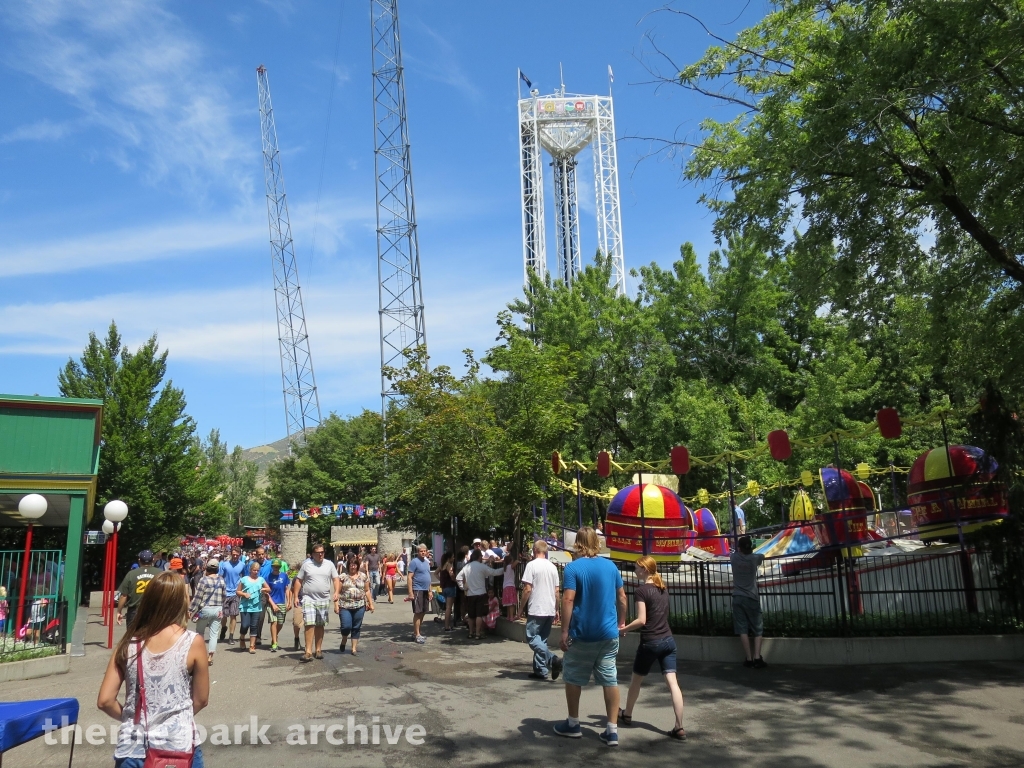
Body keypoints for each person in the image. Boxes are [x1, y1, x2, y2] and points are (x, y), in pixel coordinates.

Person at [97, 571, 209, 768]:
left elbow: (105, 700)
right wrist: (175, 716)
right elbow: (201, 699)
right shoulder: (192, 642)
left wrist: (131, 717)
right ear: (180, 603)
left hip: (133, 748)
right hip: (178, 746)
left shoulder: (128, 643)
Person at [554, 526, 627, 746]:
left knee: (573, 676)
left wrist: (564, 631)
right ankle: (612, 730)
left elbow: (568, 600)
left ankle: (574, 723)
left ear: (577, 543)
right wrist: (621, 622)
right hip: (608, 633)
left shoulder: (573, 569)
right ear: (597, 542)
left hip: (583, 632)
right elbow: (622, 597)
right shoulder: (611, 566)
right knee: (609, 679)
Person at [618, 555, 686, 740]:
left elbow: (642, 620)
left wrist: (623, 629)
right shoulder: (663, 588)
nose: (635, 571)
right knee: (673, 684)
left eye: (637, 568)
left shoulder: (641, 591)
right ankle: (679, 727)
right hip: (668, 640)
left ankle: (627, 714)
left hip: (650, 642)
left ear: (645, 570)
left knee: (636, 680)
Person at [516, 539, 562, 681]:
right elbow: (557, 591)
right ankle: (540, 670)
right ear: (546, 551)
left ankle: (552, 659)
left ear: (535, 550)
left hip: (537, 607)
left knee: (532, 638)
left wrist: (520, 609)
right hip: (549, 607)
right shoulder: (553, 567)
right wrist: (556, 608)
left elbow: (527, 589)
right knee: (541, 639)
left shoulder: (531, 565)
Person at [292, 544, 339, 662]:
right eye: (318, 552)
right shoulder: (307, 565)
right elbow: (298, 580)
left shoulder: (329, 564)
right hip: (309, 598)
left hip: (323, 599)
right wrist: (295, 597)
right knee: (309, 623)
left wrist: (337, 592)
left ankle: (318, 650)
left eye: (322, 552)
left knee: (319, 624)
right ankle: (308, 651)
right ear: (313, 554)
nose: (320, 554)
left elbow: (335, 579)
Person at [731, 535, 767, 668]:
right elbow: (761, 556)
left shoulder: (734, 558)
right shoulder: (754, 559)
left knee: (742, 629)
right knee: (757, 628)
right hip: (751, 596)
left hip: (737, 596)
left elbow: (735, 552)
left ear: (739, 548)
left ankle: (749, 658)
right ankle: (757, 657)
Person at [456, 549, 507, 640]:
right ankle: (478, 633)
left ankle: (471, 633)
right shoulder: (482, 567)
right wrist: (505, 569)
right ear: (479, 557)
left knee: (471, 615)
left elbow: (458, 577)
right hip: (481, 593)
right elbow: (494, 572)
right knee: (479, 615)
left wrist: (463, 587)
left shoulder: (467, 567)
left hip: (470, 594)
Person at [189, 558, 226, 666]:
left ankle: (201, 655)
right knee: (214, 634)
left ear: (208, 568)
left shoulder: (204, 580)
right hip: (218, 609)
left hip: (205, 609)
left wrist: (190, 610)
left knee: (200, 633)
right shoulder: (221, 580)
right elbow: (224, 596)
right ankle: (210, 657)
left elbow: (197, 597)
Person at [116, 550, 162, 629]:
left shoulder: (131, 574)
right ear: (152, 560)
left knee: (133, 637)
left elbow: (124, 595)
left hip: (135, 611)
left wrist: (119, 611)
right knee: (152, 637)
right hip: (154, 610)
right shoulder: (160, 573)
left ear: (139, 560)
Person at [338, 557, 375, 655]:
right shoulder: (343, 576)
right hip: (345, 605)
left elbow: (367, 591)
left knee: (356, 627)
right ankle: (344, 639)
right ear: (348, 565)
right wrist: (335, 604)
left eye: (354, 564)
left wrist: (370, 603)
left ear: (357, 566)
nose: (352, 566)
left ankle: (354, 648)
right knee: (346, 626)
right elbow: (337, 592)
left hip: (360, 605)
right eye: (351, 564)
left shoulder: (363, 576)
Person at [237, 561, 269, 654]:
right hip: (245, 607)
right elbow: (238, 591)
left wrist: (264, 589)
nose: (256, 572)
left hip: (256, 607)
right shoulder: (244, 579)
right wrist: (244, 594)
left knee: (254, 626)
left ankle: (252, 646)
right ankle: (242, 638)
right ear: (250, 570)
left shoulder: (261, 579)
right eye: (254, 570)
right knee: (245, 625)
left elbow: (268, 589)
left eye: (257, 570)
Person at [217, 549, 246, 644]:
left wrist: (243, 590)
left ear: (239, 555)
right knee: (224, 616)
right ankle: (224, 627)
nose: (235, 556)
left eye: (237, 555)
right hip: (225, 593)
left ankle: (231, 636)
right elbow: (220, 577)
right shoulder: (224, 564)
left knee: (233, 615)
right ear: (231, 554)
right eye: (233, 554)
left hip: (236, 593)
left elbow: (244, 578)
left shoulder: (242, 565)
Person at [406, 544, 433, 644]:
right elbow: (409, 577)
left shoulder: (426, 562)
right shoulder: (414, 562)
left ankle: (417, 633)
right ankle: (417, 635)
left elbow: (428, 577)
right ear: (418, 552)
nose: (423, 552)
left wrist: (430, 591)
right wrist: (410, 592)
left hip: (426, 590)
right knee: (418, 612)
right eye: (421, 551)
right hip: (417, 590)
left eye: (424, 551)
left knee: (423, 612)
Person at [266, 559, 292, 652]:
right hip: (271, 602)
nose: (276, 568)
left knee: (280, 623)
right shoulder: (268, 577)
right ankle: (274, 643)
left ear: (280, 567)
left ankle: (274, 636)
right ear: (272, 567)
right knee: (274, 622)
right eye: (274, 566)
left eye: (277, 566)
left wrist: (289, 601)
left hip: (281, 602)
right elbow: (267, 592)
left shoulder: (284, 576)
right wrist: (272, 604)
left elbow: (287, 589)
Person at [252, 546, 272, 646]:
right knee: (255, 616)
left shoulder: (269, 564)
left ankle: (258, 636)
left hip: (265, 592)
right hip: (254, 593)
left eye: (262, 554)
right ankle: (254, 635)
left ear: (265, 554)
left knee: (261, 617)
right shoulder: (252, 564)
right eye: (259, 554)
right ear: (256, 554)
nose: (261, 556)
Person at [438, 552, 457, 632]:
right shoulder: (449, 565)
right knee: (449, 608)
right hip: (450, 587)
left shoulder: (442, 566)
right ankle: (447, 626)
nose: (454, 558)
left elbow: (435, 573)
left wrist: (441, 580)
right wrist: (455, 579)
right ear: (449, 558)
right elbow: (451, 574)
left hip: (444, 588)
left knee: (447, 607)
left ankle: (447, 625)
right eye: (453, 557)